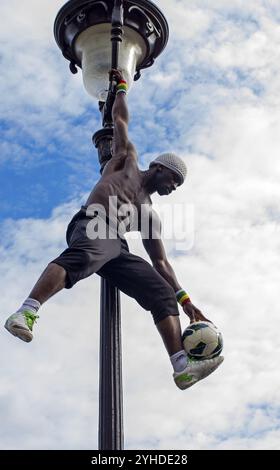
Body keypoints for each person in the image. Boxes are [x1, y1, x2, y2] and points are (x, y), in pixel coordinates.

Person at [4, 69, 223, 390]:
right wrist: (121, 88)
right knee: (97, 249)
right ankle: (26, 312)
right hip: (92, 222)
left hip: (115, 246)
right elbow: (120, 121)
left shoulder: (149, 215)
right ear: (160, 167)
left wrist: (186, 300)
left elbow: (161, 264)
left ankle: (181, 365)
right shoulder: (126, 161)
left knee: (160, 291)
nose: (174, 188)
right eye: (174, 180)